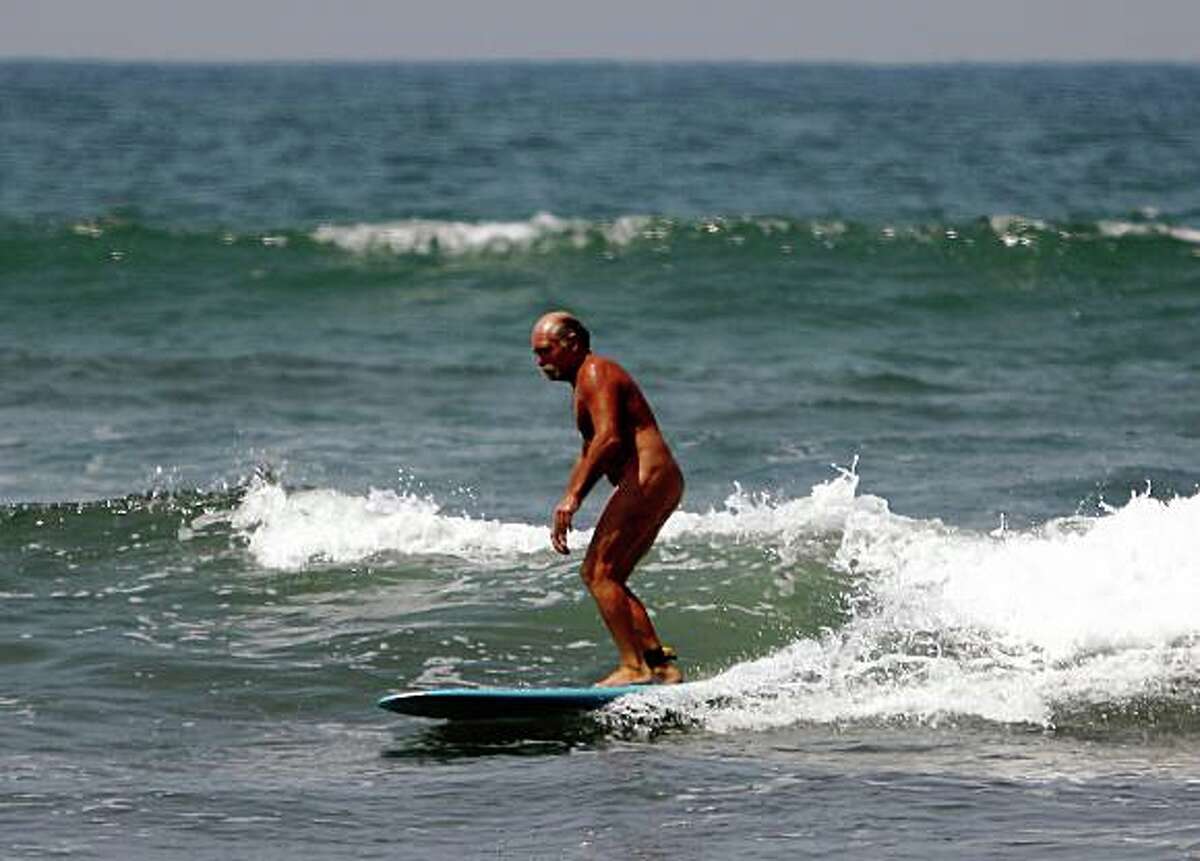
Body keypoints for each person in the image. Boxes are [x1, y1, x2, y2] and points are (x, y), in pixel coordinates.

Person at [530, 311, 685, 686]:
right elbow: (591, 450)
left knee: (597, 572)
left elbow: (609, 438)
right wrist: (567, 499)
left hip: (649, 478)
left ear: (573, 344)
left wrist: (573, 498)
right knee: (609, 575)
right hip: (657, 480)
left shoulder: (597, 371)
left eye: (546, 351)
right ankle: (659, 664)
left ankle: (633, 668)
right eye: (536, 353)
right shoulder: (584, 381)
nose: (540, 361)